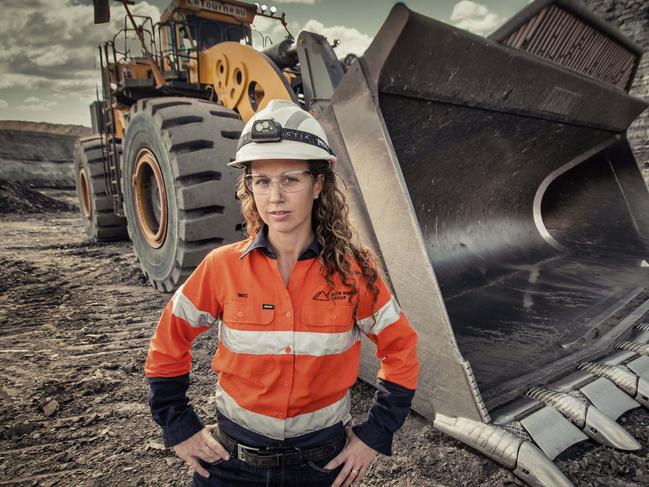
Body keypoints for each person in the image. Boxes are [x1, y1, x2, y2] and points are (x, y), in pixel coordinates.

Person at [144, 99, 419, 487]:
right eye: (262, 181)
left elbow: (401, 349)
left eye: (290, 179)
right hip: (230, 465)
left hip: (324, 467)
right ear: (249, 187)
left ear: (318, 184)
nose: (275, 196)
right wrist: (178, 427)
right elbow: (167, 346)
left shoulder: (355, 270)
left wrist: (374, 435)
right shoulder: (221, 267)